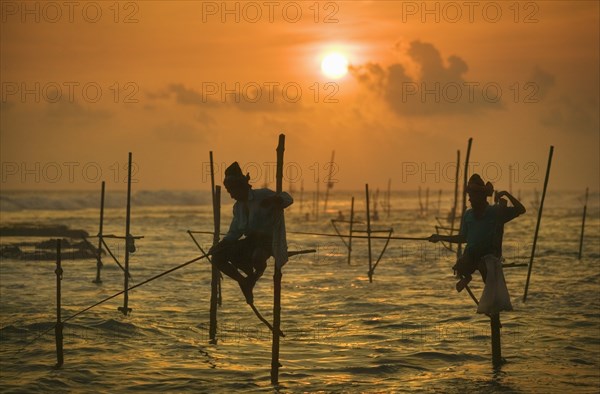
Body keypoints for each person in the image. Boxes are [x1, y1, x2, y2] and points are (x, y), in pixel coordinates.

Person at [209, 162, 293, 304]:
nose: (231, 196)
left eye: (232, 191)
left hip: (268, 241)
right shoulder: (238, 207)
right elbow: (234, 232)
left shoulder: (262, 195)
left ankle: (254, 276)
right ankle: (244, 281)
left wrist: (274, 200)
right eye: (229, 192)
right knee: (217, 257)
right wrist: (220, 245)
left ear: (241, 187)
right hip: (250, 241)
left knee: (258, 257)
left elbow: (288, 199)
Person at [429, 174, 525, 292]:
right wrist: (440, 237)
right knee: (460, 265)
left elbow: (521, 209)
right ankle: (467, 277)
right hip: (471, 254)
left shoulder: (495, 212)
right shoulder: (468, 215)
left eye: (472, 196)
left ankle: (490, 298)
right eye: (469, 195)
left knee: (484, 270)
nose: (469, 199)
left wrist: (506, 193)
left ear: (481, 196)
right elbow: (463, 237)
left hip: (489, 254)